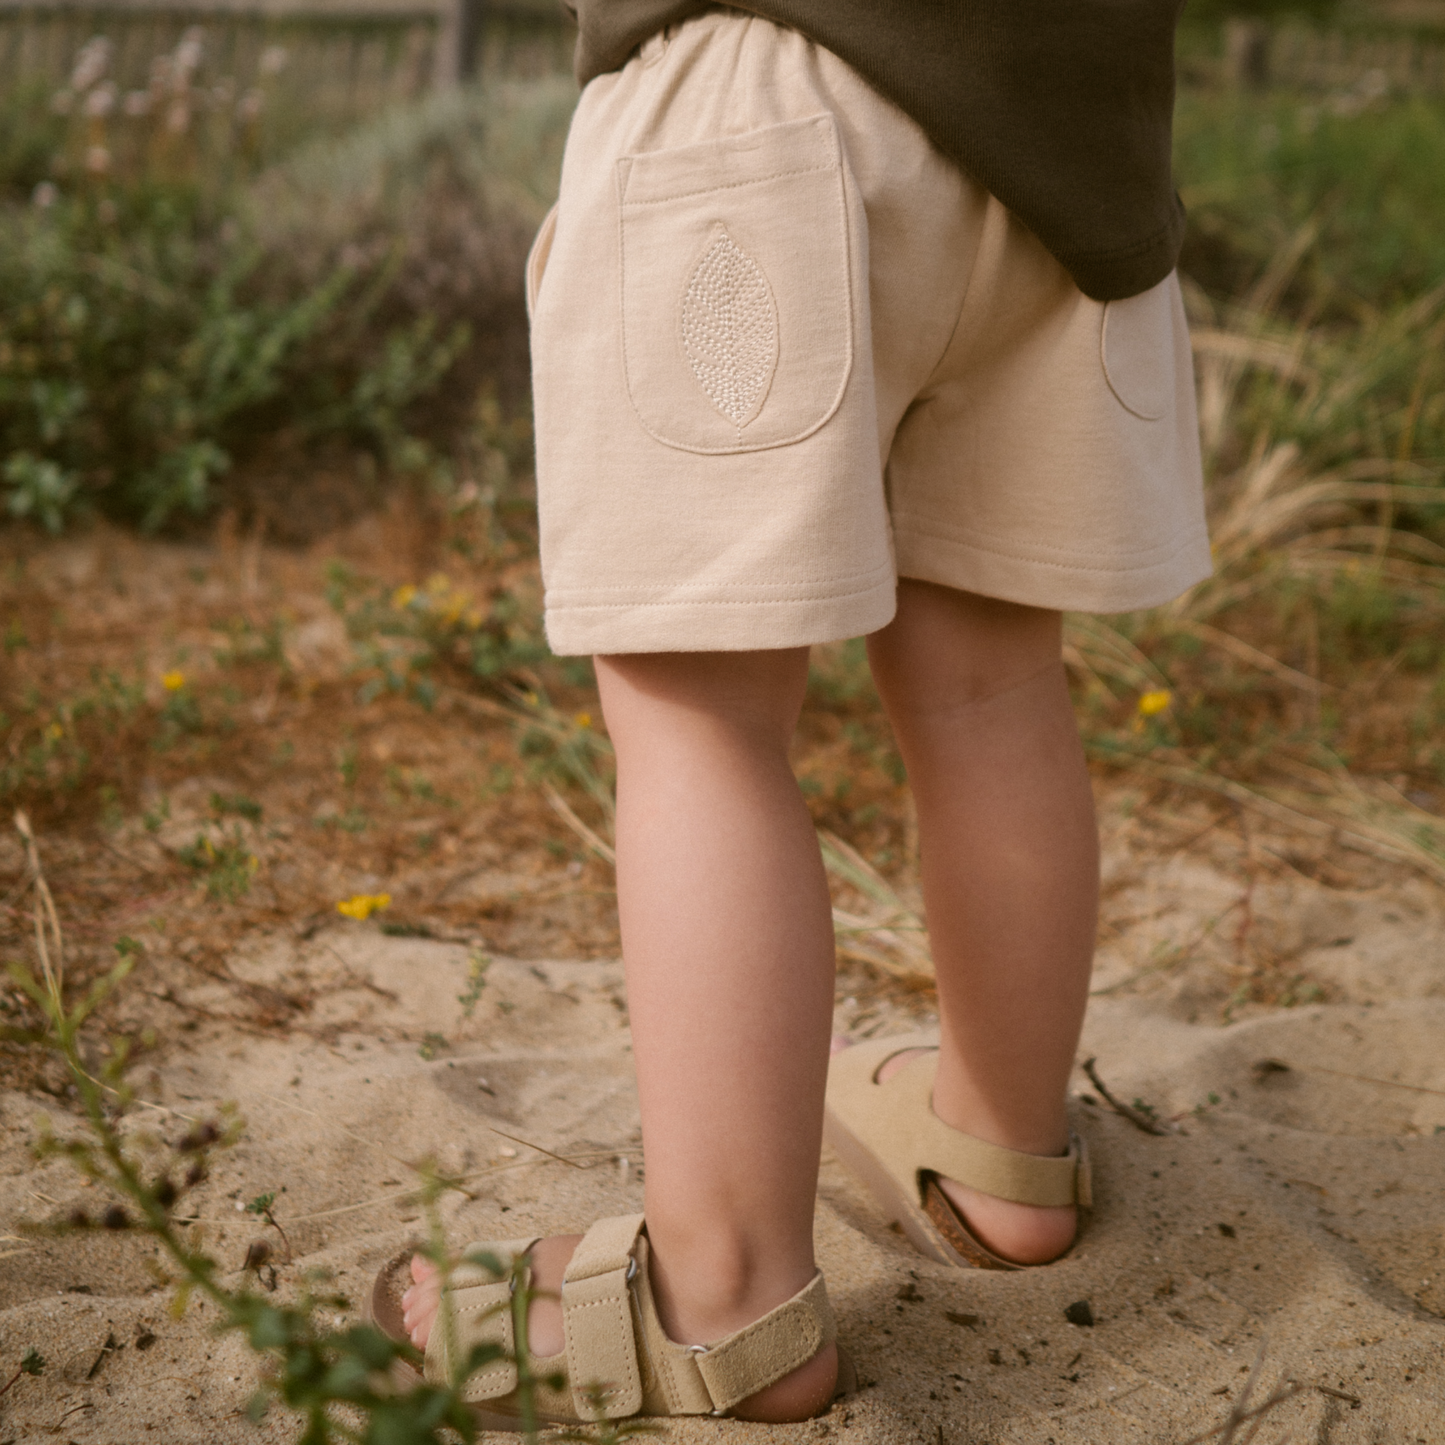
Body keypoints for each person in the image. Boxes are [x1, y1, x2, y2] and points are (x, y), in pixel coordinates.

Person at [371, 1, 1209, 1426]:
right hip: (1071, 144)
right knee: (997, 682)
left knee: (700, 716)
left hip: (767, 90)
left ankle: (728, 1298)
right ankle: (1002, 1153)